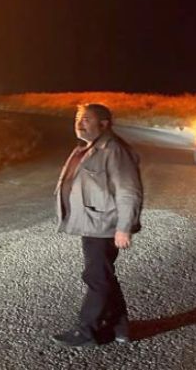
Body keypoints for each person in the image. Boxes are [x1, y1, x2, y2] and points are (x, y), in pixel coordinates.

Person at [51, 103, 143, 347]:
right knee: (103, 276)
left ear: (104, 124)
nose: (79, 124)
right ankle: (121, 328)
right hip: (92, 222)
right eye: (78, 119)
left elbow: (128, 191)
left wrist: (124, 227)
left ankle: (86, 330)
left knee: (96, 277)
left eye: (86, 120)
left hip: (105, 224)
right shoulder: (90, 148)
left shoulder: (114, 150)